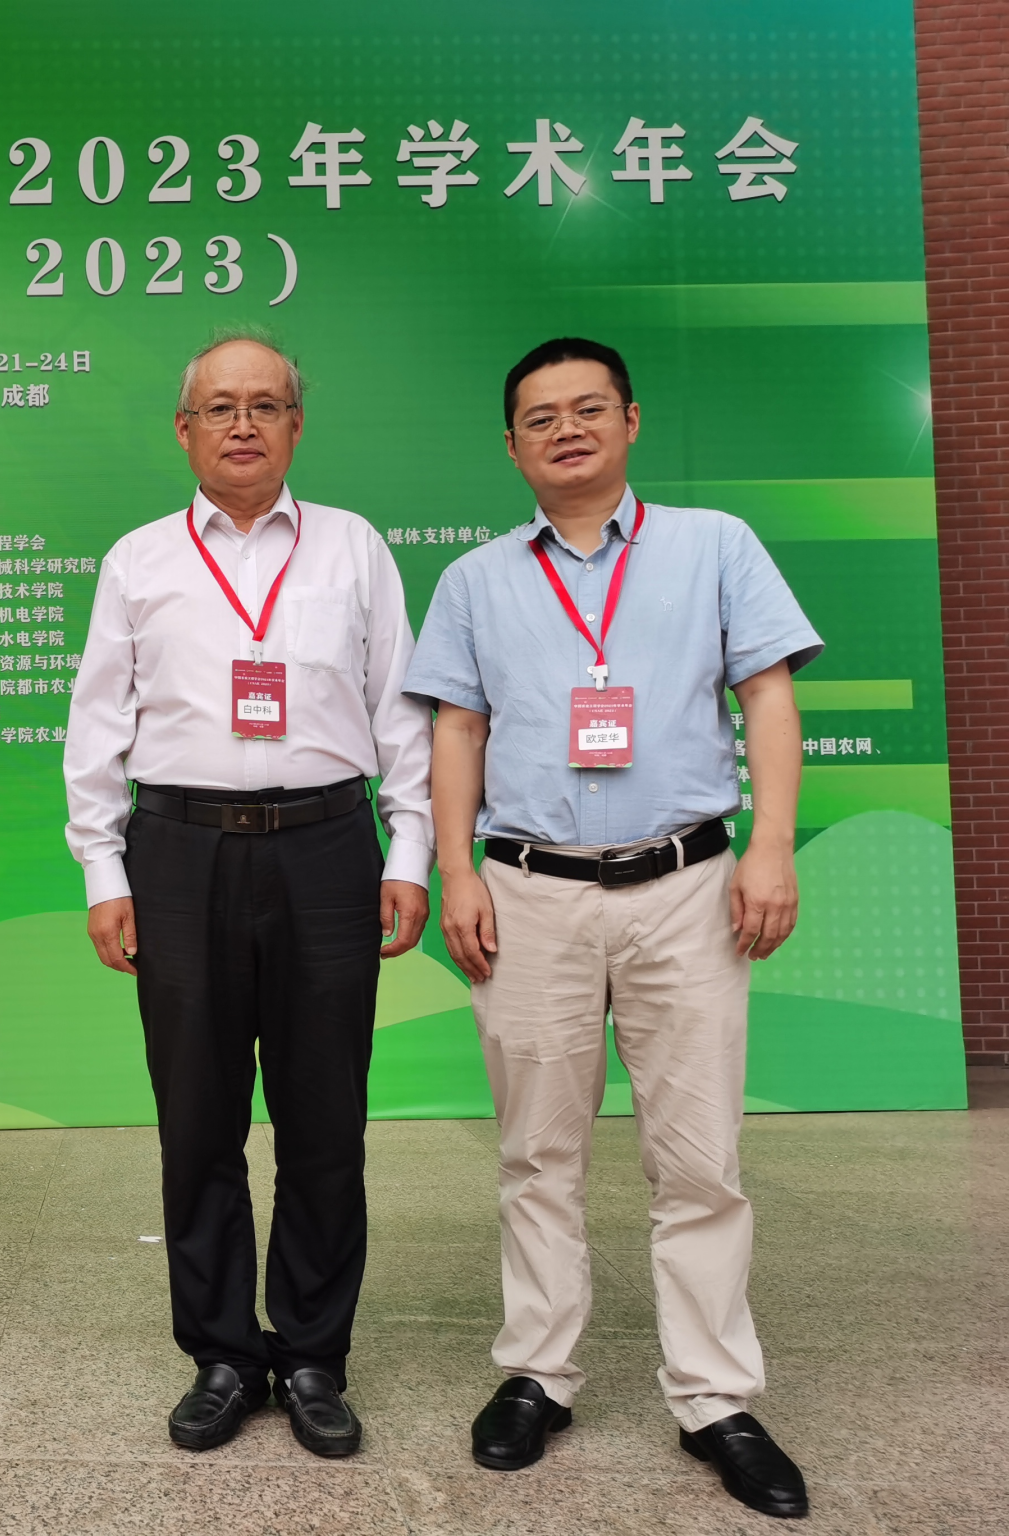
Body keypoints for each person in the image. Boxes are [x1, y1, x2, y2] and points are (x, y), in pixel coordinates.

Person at [401, 337, 820, 1520]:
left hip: (684, 886)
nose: (565, 430)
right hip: (526, 891)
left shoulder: (713, 545)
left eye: (587, 408)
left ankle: (714, 1396)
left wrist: (770, 847)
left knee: (698, 1159)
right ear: (510, 447)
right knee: (537, 1152)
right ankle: (537, 1374)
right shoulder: (474, 580)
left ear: (629, 421)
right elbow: (454, 732)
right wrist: (454, 871)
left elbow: (766, 696)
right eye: (539, 418)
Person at [64, 330, 434, 1457]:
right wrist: (103, 868)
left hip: (327, 849)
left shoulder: (353, 546)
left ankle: (314, 1355)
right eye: (219, 406)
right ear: (184, 431)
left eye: (264, 404)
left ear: (295, 426)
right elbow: (97, 722)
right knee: (198, 1121)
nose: (241, 424)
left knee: (325, 1120)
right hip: (179, 853)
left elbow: (398, 709)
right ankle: (222, 1354)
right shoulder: (138, 560)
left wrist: (408, 851)